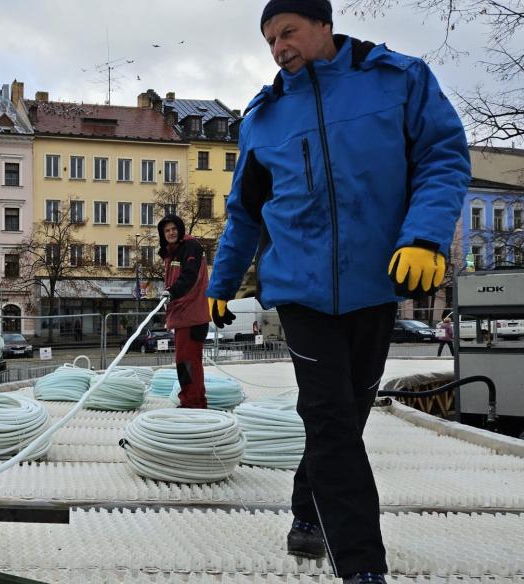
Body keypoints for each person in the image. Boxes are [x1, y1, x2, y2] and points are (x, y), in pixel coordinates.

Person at [205, 1, 470, 583]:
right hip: (300, 289)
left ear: (324, 26)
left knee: (346, 415)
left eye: (288, 32)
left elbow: (443, 157)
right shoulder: (265, 117)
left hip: (378, 281)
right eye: (270, 39)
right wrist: (220, 285)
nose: (278, 48)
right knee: (327, 416)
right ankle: (361, 567)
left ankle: (308, 510)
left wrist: (425, 235)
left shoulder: (398, 80)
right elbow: (244, 212)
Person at [158, 214, 209, 409]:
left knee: (188, 363)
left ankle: (193, 403)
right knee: (184, 362)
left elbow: (189, 276)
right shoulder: (174, 252)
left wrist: (171, 293)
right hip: (183, 317)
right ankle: (191, 400)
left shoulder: (190, 247)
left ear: (180, 229)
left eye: (173, 229)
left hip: (192, 316)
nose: (170, 233)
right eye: (166, 230)